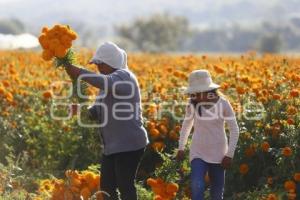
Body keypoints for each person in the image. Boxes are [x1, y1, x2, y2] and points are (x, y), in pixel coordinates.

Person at [65, 41, 149, 200]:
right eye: (97, 63)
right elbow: (96, 113)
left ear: (112, 62)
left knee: (125, 185)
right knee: (107, 187)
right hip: (112, 146)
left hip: (129, 143)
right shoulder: (106, 84)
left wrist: (79, 72)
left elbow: (105, 82)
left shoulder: (125, 77)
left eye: (101, 63)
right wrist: (81, 111)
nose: (98, 67)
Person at [176, 69, 240, 200]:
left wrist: (229, 155)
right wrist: (181, 147)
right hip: (198, 151)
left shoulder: (223, 104)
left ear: (209, 91)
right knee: (196, 185)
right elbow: (187, 125)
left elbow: (234, 129)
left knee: (216, 193)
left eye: (197, 93)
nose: (194, 96)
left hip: (219, 153)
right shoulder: (192, 104)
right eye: (193, 93)